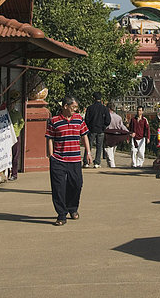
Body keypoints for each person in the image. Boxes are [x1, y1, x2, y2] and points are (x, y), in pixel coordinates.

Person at [45, 96, 92, 226]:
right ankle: (61, 214)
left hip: (75, 159)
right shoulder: (54, 121)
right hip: (58, 159)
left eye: (76, 108)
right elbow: (49, 138)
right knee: (58, 188)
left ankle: (72, 208)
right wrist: (51, 155)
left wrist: (88, 152)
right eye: (73, 107)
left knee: (76, 184)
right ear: (65, 106)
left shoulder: (79, 119)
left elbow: (84, 136)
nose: (75, 110)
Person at [83, 92, 111, 168]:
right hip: (101, 130)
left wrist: (89, 127)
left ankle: (86, 161)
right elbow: (108, 120)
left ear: (93, 98)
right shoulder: (104, 108)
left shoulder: (90, 108)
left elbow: (87, 119)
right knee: (99, 146)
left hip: (92, 129)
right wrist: (104, 126)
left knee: (89, 145)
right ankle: (97, 162)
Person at [104, 103, 130, 168]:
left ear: (108, 108)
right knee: (112, 152)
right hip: (116, 136)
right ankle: (110, 166)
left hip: (108, 136)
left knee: (109, 153)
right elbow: (121, 126)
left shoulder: (106, 117)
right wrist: (127, 132)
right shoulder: (118, 117)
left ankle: (112, 167)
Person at [8, 101, 25, 181]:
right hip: (7, 136)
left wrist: (18, 129)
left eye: (13, 104)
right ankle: (8, 173)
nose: (12, 105)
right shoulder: (7, 113)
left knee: (15, 155)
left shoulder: (17, 113)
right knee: (7, 155)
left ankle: (14, 174)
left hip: (15, 135)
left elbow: (22, 122)